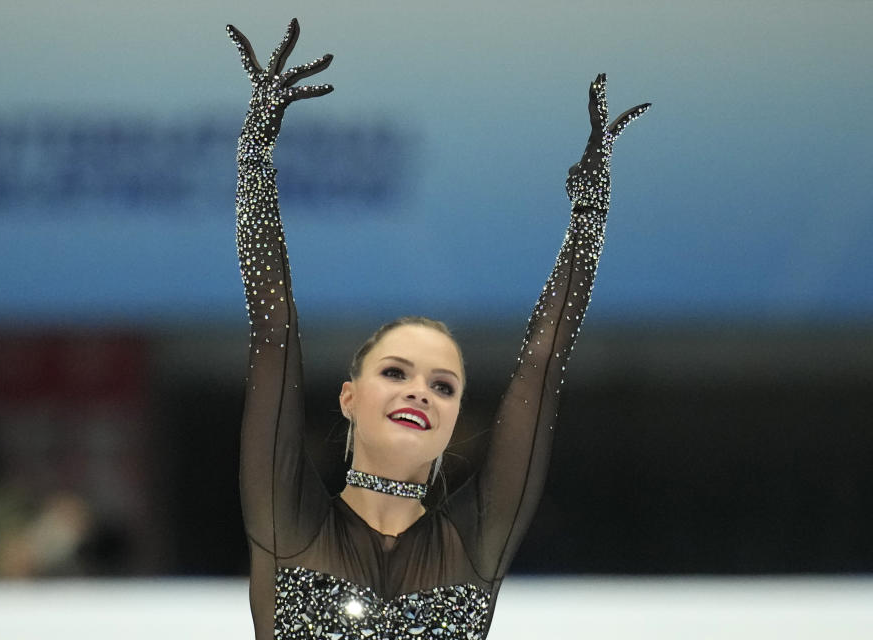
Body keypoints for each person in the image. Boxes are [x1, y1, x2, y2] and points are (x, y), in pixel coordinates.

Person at [227, 18, 649, 639]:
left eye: (443, 385)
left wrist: (588, 217)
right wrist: (254, 157)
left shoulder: (475, 543)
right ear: (348, 397)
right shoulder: (288, 523)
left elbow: (542, 361)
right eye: (395, 373)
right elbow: (273, 331)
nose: (420, 391)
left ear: (455, 419)